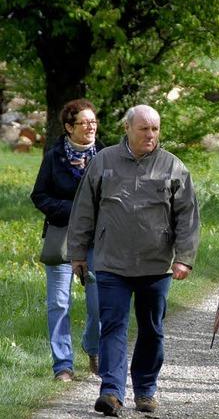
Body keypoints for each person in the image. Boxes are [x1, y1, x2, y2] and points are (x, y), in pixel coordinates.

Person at [67, 104, 200, 417]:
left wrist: (184, 258)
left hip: (157, 265)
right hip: (111, 262)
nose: (151, 135)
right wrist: (77, 253)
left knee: (152, 329)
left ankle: (145, 390)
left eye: (155, 129)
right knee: (112, 325)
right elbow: (84, 209)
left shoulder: (173, 166)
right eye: (144, 129)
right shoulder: (104, 162)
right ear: (127, 129)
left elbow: (187, 217)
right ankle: (111, 392)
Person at [31, 98, 103, 382]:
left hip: (98, 239)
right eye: (84, 122)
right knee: (58, 303)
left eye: (93, 122)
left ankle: (93, 347)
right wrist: (72, 211)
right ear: (69, 127)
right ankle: (62, 365)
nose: (91, 127)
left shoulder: (107, 156)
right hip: (62, 236)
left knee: (99, 304)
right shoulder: (53, 156)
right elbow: (39, 195)